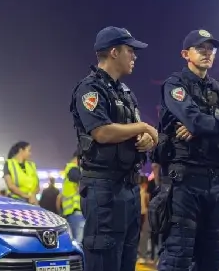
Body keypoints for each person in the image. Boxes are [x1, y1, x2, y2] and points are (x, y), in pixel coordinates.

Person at [155, 29, 219, 271]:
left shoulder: (218, 90)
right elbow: (196, 120)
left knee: (211, 259)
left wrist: (201, 128)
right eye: (201, 49)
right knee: (178, 257)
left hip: (216, 183)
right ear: (186, 54)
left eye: (211, 49)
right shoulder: (175, 85)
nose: (207, 53)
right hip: (185, 180)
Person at [70, 26, 157, 271]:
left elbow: (135, 134)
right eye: (130, 50)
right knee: (104, 262)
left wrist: (146, 139)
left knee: (126, 262)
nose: (135, 56)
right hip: (104, 190)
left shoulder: (126, 94)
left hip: (128, 189)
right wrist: (143, 126)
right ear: (114, 52)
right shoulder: (90, 89)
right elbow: (102, 132)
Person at [57, 152, 84, 240]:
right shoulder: (74, 169)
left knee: (74, 239)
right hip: (76, 210)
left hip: (70, 212)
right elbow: (81, 187)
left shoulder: (68, 169)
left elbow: (59, 197)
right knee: (78, 240)